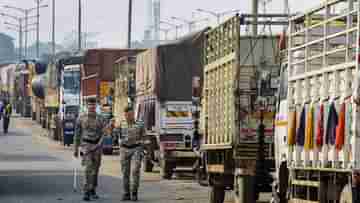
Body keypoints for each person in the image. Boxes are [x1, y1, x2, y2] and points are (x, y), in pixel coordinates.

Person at [74, 98, 106, 201]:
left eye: (93, 105)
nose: (91, 107)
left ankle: (93, 189)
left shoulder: (100, 118)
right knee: (88, 169)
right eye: (89, 105)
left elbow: (104, 132)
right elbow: (77, 134)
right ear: (86, 106)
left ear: (95, 106)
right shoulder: (81, 118)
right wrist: (75, 148)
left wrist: (100, 144)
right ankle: (86, 191)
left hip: (97, 146)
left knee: (95, 170)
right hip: (86, 145)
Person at [120, 106, 145, 201]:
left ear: (133, 114)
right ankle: (126, 193)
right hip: (124, 149)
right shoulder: (122, 124)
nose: (128, 116)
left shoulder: (140, 124)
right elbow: (117, 135)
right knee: (125, 172)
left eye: (130, 114)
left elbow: (144, 136)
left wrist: (142, 146)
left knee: (135, 170)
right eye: (126, 115)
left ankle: (134, 192)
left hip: (136, 149)